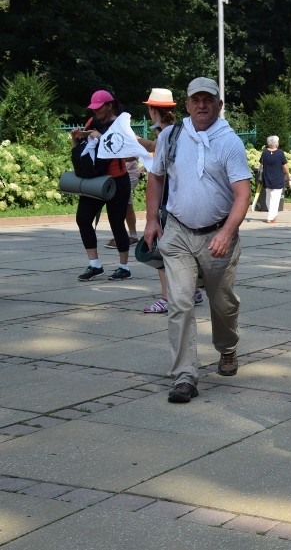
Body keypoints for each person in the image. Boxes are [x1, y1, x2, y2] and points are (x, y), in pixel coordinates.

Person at [144, 77, 251, 404]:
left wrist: (227, 232)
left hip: (218, 234)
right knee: (179, 302)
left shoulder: (229, 142)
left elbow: (243, 194)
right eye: (196, 99)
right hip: (177, 232)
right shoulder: (171, 136)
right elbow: (156, 176)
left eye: (209, 99)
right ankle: (184, 376)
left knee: (223, 304)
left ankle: (227, 347)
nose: (202, 105)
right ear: (187, 105)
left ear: (219, 105)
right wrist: (150, 219)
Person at [137, 88, 205, 314]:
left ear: (152, 109)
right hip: (183, 198)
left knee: (163, 250)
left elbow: (157, 161)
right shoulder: (178, 129)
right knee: (184, 250)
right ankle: (193, 289)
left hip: (168, 199)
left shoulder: (165, 133)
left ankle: (167, 297)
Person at [70, 90, 133, 282]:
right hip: (94, 180)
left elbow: (131, 152)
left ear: (109, 105)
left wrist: (102, 138)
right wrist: (76, 138)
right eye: (93, 108)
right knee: (83, 218)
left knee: (116, 223)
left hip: (116, 181)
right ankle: (95, 264)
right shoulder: (92, 122)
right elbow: (81, 151)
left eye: (99, 108)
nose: (96, 112)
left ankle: (124, 267)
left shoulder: (121, 123)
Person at [258, 135, 291, 224]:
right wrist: (288, 176)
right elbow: (285, 165)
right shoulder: (280, 153)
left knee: (268, 198)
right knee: (275, 199)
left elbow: (261, 165)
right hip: (278, 178)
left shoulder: (264, 152)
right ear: (276, 144)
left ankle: (272, 215)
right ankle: (271, 217)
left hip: (266, 178)